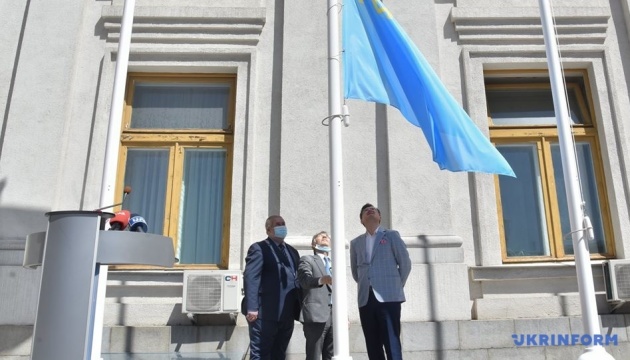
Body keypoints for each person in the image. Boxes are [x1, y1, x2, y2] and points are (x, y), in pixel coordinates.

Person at [350, 203, 411, 360]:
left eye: (374, 210)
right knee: (372, 343)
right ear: (361, 220)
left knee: (391, 341)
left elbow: (405, 263)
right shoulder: (355, 243)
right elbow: (355, 272)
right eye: (365, 211)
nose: (370, 211)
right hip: (366, 298)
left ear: (380, 217)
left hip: (389, 297)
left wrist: (396, 285)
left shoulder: (391, 236)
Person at [241, 215, 301, 360]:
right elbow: (251, 278)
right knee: (261, 354)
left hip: (287, 314)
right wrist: (252, 308)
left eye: (283, 223)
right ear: (268, 230)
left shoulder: (293, 252)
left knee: (279, 354)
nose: (282, 226)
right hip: (263, 314)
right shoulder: (259, 248)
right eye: (277, 224)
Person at [297, 231, 334, 360]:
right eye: (320, 236)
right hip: (316, 315)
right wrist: (321, 280)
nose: (325, 236)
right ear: (313, 244)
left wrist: (344, 316)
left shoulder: (336, 263)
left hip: (335, 316)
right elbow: (304, 281)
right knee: (314, 355)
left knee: (332, 355)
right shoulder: (307, 259)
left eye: (327, 236)